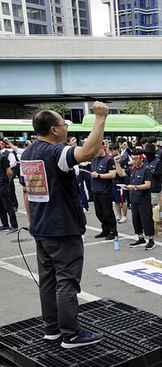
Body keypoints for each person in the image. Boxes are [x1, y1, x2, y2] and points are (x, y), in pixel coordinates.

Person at [22, 102, 108, 348]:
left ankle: (52, 329)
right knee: (66, 281)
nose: (66, 128)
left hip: (41, 227)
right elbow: (87, 153)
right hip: (62, 228)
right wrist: (100, 118)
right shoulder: (55, 152)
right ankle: (71, 334)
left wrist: (31, 221)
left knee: (48, 281)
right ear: (53, 130)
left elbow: (27, 191)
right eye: (64, 124)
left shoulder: (27, 154)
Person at [114, 148, 155, 250]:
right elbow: (121, 173)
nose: (134, 162)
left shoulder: (146, 169)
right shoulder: (132, 169)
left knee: (147, 220)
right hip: (134, 199)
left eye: (136, 160)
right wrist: (117, 163)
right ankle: (140, 238)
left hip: (144, 199)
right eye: (133, 159)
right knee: (136, 220)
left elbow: (148, 185)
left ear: (141, 159)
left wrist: (135, 187)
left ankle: (151, 240)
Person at [89, 145, 117, 240]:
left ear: (102, 148)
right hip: (95, 189)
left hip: (105, 190)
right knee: (99, 212)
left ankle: (113, 231)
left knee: (108, 212)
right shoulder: (95, 159)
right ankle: (105, 230)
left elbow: (112, 174)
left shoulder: (109, 160)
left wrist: (99, 176)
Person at [0, 145, 18, 234]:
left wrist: (7, 182)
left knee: (8, 206)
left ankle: (14, 226)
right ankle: (5, 224)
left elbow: (9, 172)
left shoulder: (3, 157)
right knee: (1, 206)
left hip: (3, 185)